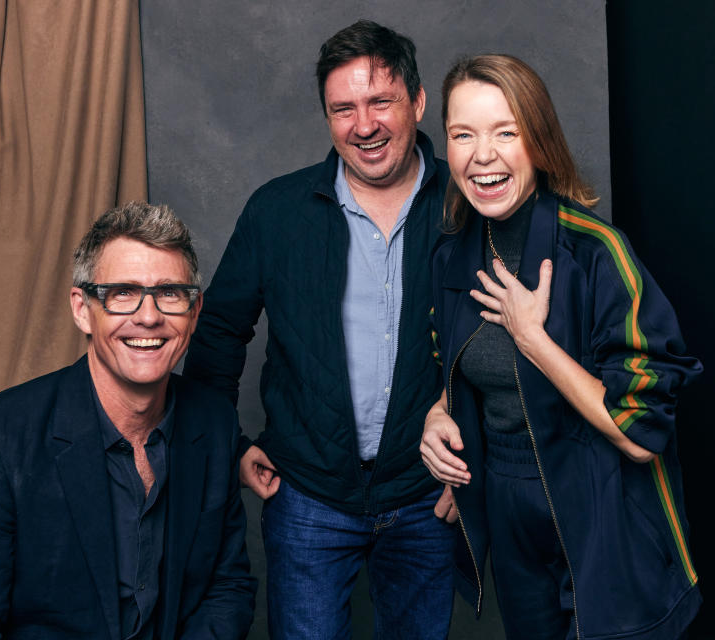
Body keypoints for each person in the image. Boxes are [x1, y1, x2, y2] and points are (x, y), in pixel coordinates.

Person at [183, 20, 455, 640]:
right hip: (306, 498)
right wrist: (229, 442)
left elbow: (506, 348)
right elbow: (220, 331)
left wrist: (480, 470)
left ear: (416, 101)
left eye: (380, 102)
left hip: (428, 496)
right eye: (343, 109)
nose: (363, 126)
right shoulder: (276, 211)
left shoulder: (466, 207)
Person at [420, 55, 703, 639]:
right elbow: (453, 368)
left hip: (605, 510)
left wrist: (534, 339)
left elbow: (640, 434)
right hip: (509, 506)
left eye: (506, 132)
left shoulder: (597, 253)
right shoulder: (453, 255)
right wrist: (437, 415)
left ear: (540, 142)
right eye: (463, 134)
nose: (482, 154)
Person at [0, 202, 256, 640]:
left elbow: (226, 589)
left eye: (170, 293)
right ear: (82, 309)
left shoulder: (215, 425)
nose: (149, 316)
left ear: (194, 311)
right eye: (122, 293)